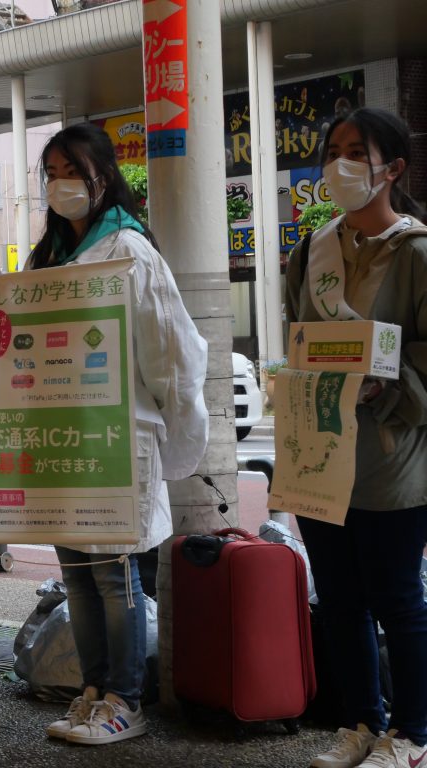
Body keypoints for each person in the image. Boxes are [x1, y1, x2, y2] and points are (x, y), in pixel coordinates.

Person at [0, 122, 208, 745]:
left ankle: (125, 699)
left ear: (102, 174)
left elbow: (172, 353)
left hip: (113, 441)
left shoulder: (130, 251)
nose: (58, 184)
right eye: (49, 173)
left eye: (69, 171)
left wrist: (179, 435)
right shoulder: (48, 257)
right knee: (77, 570)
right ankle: (93, 691)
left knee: (114, 572)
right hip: (59, 439)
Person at [284, 107, 427, 768]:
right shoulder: (310, 252)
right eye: (332, 150)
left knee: (398, 599)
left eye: (355, 151)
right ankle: (361, 724)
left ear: (393, 169)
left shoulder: (418, 253)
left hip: (392, 456)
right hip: (323, 450)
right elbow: (302, 336)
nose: (339, 163)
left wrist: (385, 377)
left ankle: (414, 735)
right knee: (339, 598)